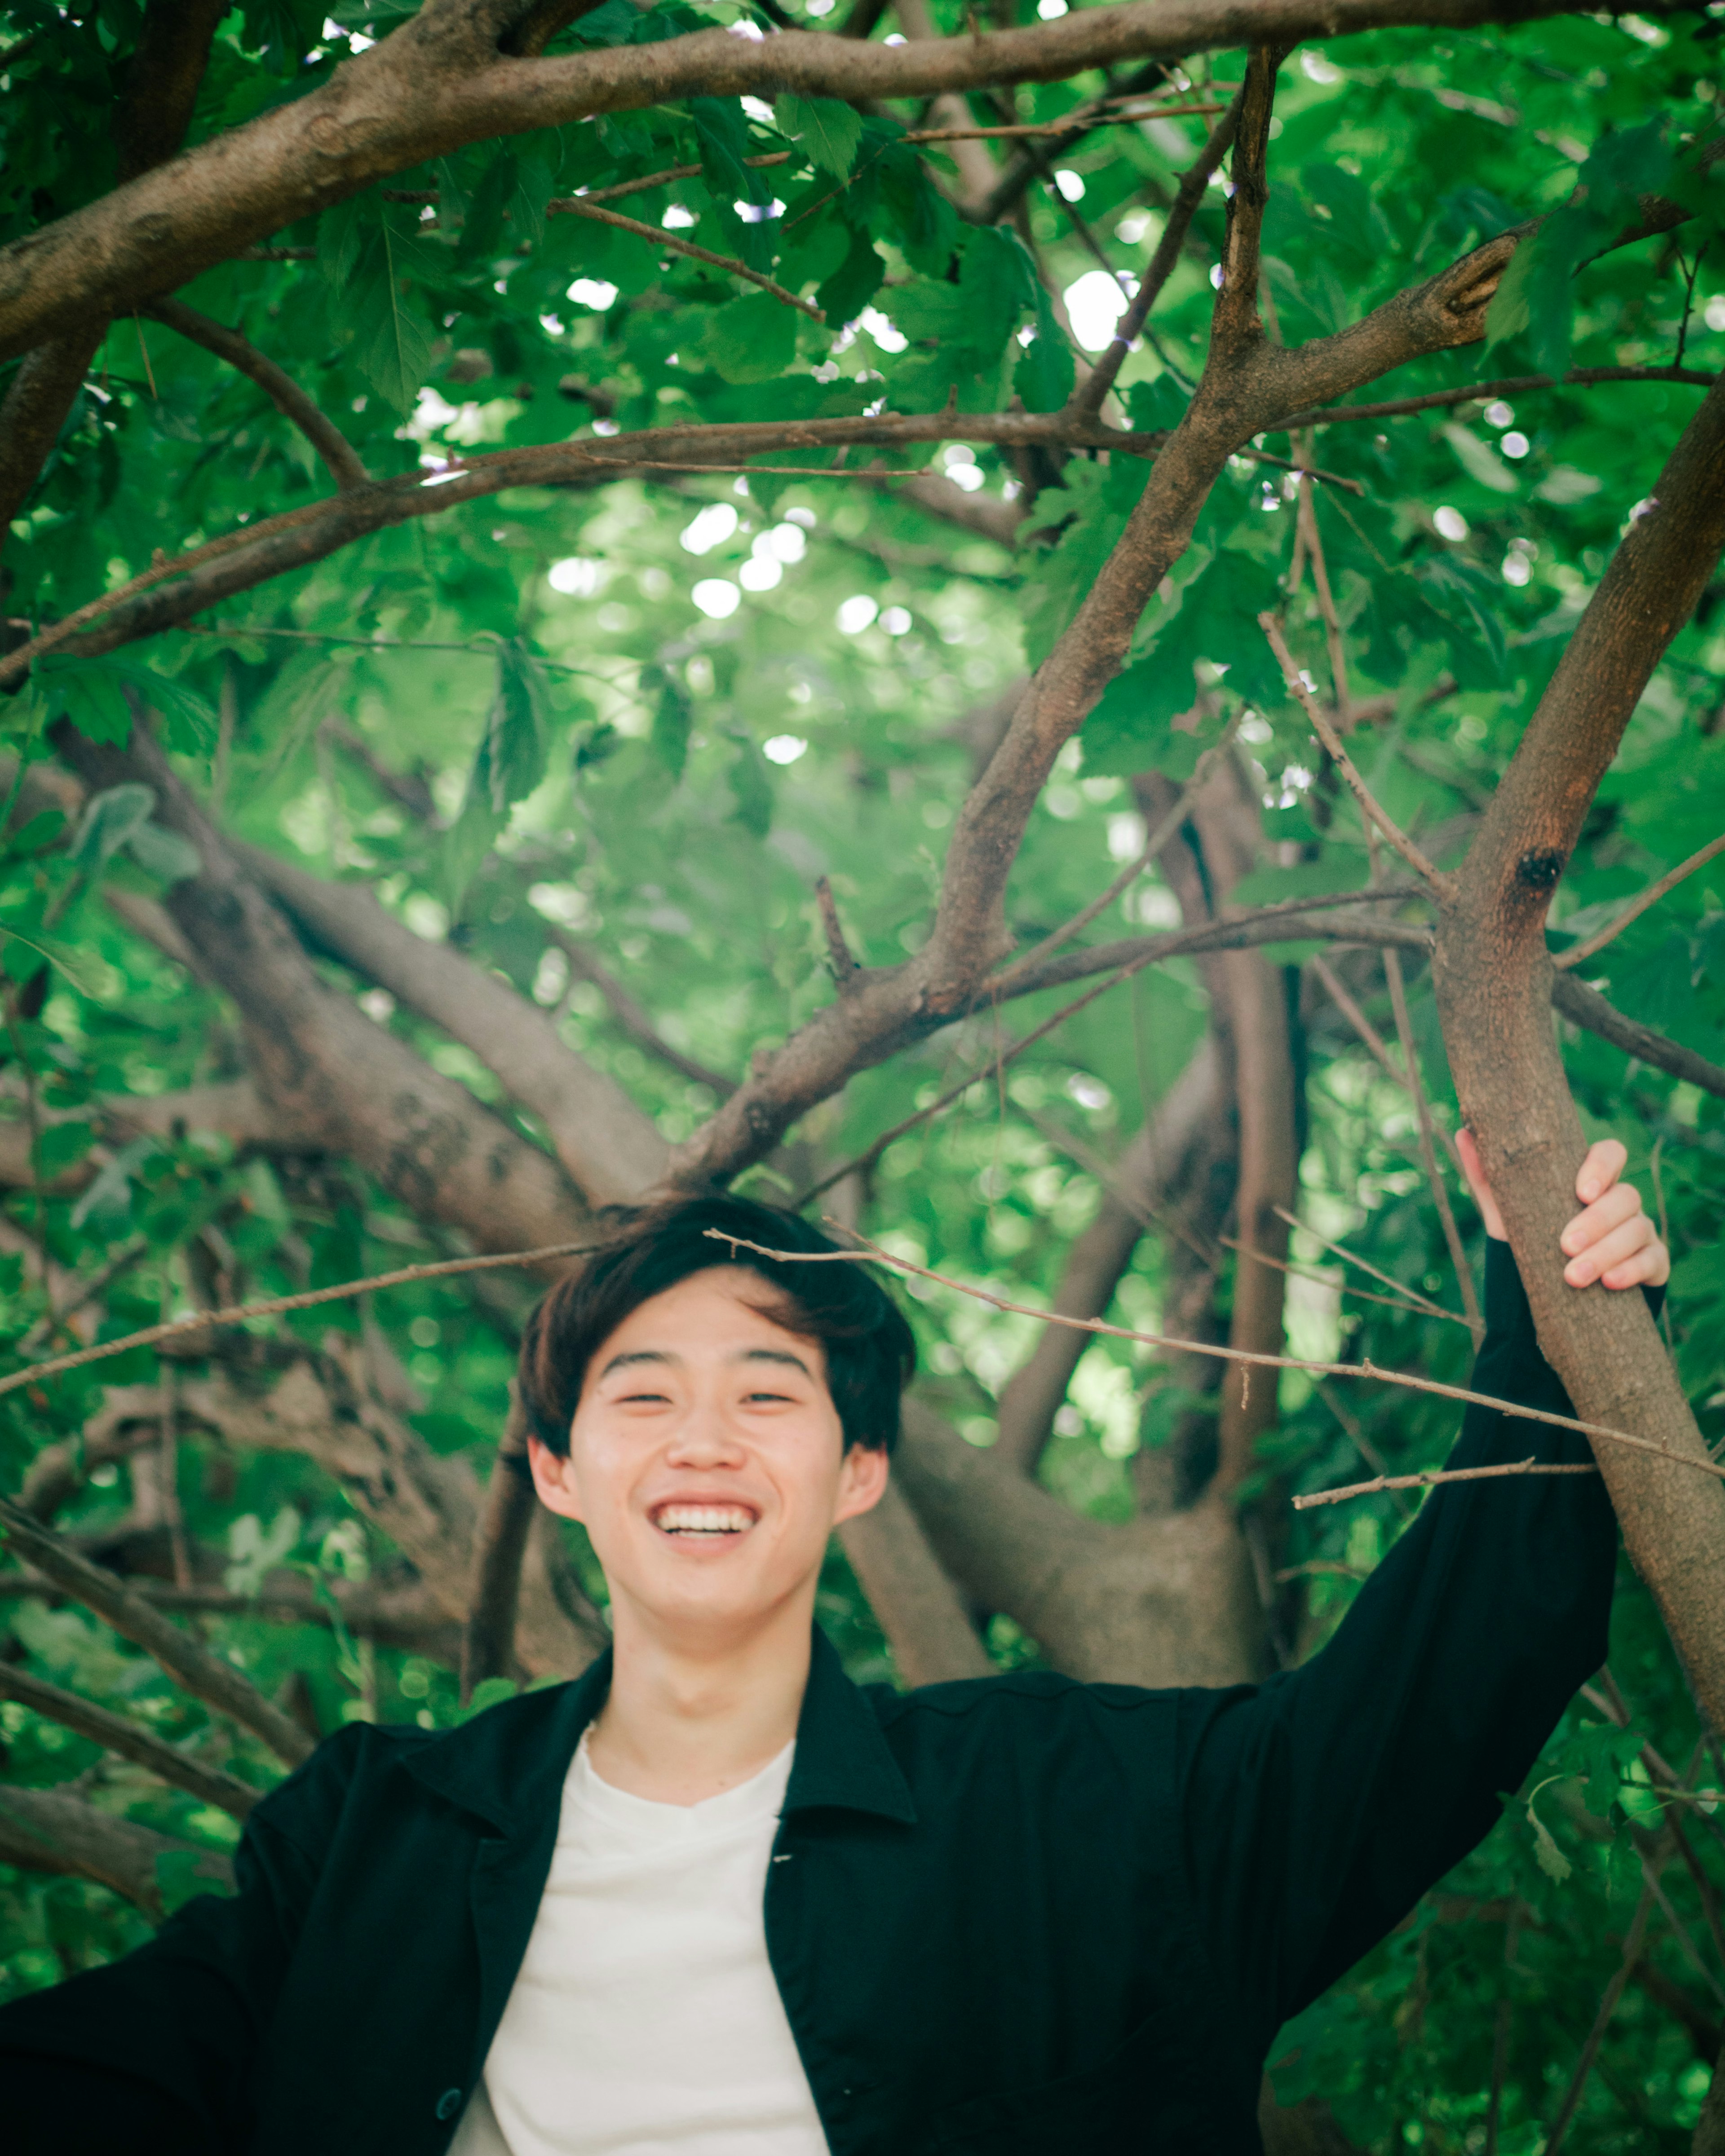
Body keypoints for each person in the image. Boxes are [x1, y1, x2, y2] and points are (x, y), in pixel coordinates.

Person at [0, 1138, 1671, 2155]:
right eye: (643, 1397)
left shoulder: (1071, 1812)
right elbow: (114, 2081)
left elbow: (1418, 1722)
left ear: (858, 1470)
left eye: (769, 1396)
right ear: (561, 1473)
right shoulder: (375, 1832)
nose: (706, 1441)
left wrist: (1557, 1328)